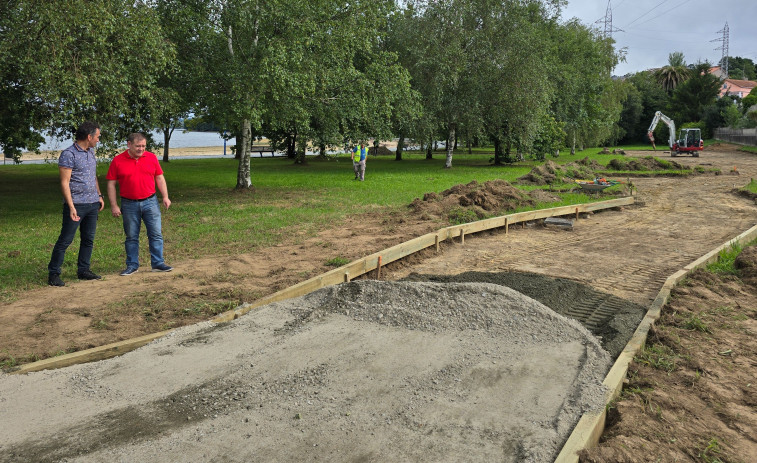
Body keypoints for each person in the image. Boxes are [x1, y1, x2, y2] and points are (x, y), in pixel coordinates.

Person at [47, 122, 105, 286]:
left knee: (88, 239)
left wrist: (99, 195)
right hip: (76, 205)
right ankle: (54, 274)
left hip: (92, 203)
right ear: (89, 137)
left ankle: (83, 270)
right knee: (65, 240)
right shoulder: (69, 154)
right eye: (97, 137)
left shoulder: (91, 152)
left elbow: (92, 176)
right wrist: (71, 206)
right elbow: (64, 183)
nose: (98, 140)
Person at [106, 133, 173, 275]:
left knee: (155, 234)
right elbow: (111, 184)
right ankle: (132, 265)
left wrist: (165, 197)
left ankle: (158, 262)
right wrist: (114, 205)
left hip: (151, 202)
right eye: (138, 146)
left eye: (143, 146)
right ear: (129, 144)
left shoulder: (151, 157)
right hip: (129, 204)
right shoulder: (118, 161)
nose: (141, 149)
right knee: (131, 236)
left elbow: (159, 177)